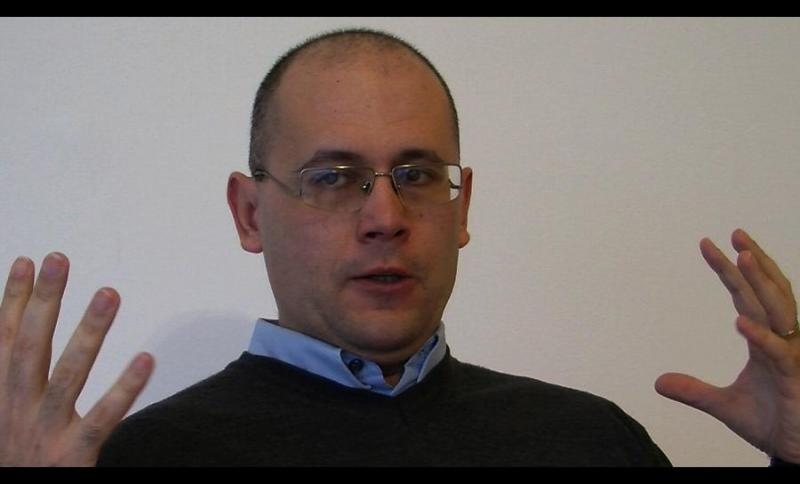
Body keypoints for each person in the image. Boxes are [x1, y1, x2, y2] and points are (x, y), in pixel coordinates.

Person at [1, 28, 798, 466]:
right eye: (332, 177)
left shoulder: (591, 442)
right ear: (249, 214)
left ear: (462, 208)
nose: (384, 216)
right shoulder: (136, 460)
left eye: (416, 174)